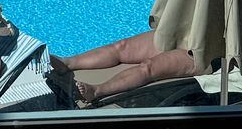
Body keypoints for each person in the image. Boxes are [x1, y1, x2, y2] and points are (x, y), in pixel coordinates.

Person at [47, 32, 196, 108]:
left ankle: (97, 90)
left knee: (149, 67)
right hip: (189, 29)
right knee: (121, 46)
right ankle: (67, 63)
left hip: (202, 51)